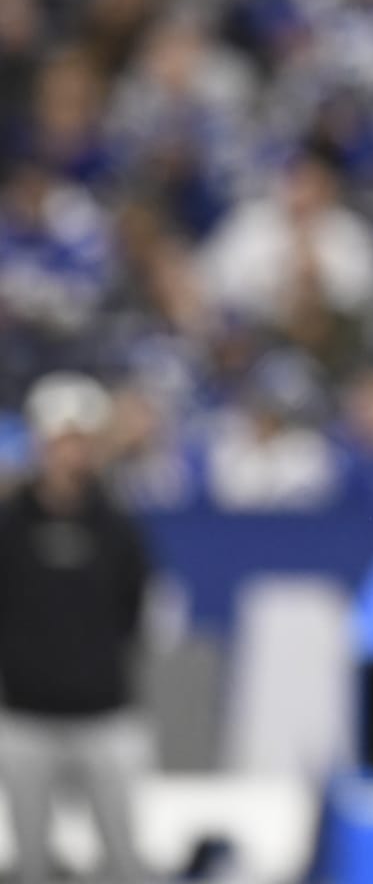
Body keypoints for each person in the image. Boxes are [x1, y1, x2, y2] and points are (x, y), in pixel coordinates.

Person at [0, 373, 154, 884]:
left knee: (123, 857)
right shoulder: (10, 525)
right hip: (25, 714)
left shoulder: (117, 525)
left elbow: (135, 609)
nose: (70, 454)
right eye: (61, 441)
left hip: (105, 713)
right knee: (31, 863)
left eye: (80, 441)